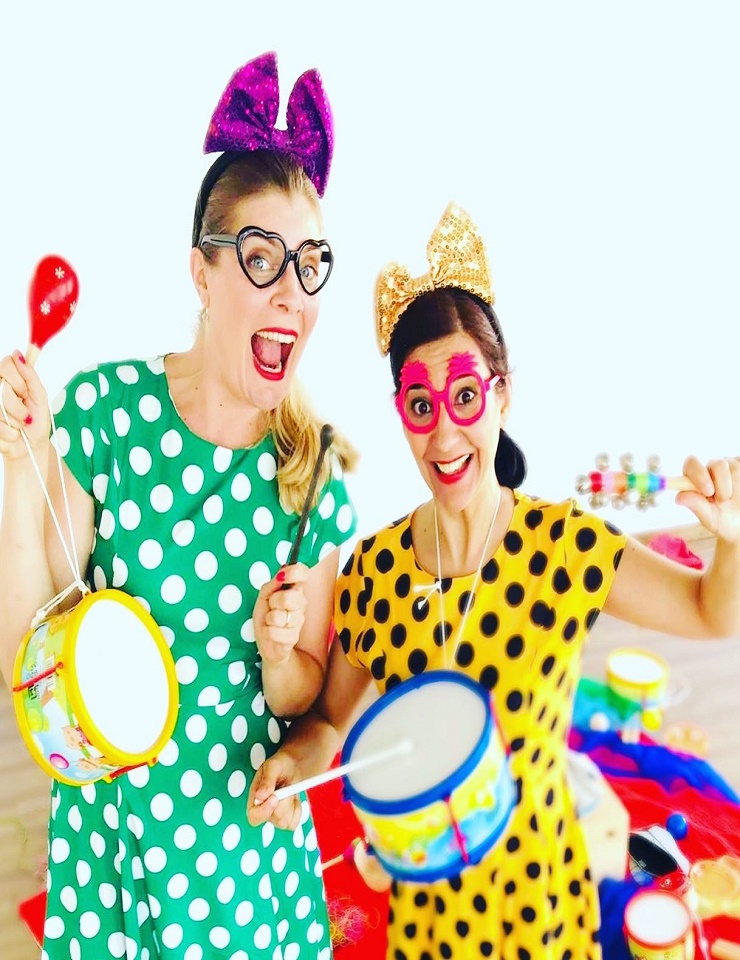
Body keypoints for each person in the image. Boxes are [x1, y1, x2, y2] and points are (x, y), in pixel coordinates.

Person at [247, 202, 740, 960]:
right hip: (429, 923)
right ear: (401, 414)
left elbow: (711, 613)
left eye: (466, 396)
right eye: (420, 405)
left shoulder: (563, 547)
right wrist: (291, 766)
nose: (444, 432)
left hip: (546, 910)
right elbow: (329, 729)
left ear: (502, 393)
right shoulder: (374, 571)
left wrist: (732, 541)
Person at [0, 51, 357, 960]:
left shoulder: (311, 475)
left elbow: (304, 695)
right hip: (111, 852)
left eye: (310, 265)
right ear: (201, 274)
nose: (292, 293)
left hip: (241, 865)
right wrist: (21, 466)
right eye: (262, 259)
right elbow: (26, 651)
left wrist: (278, 652)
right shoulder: (107, 412)